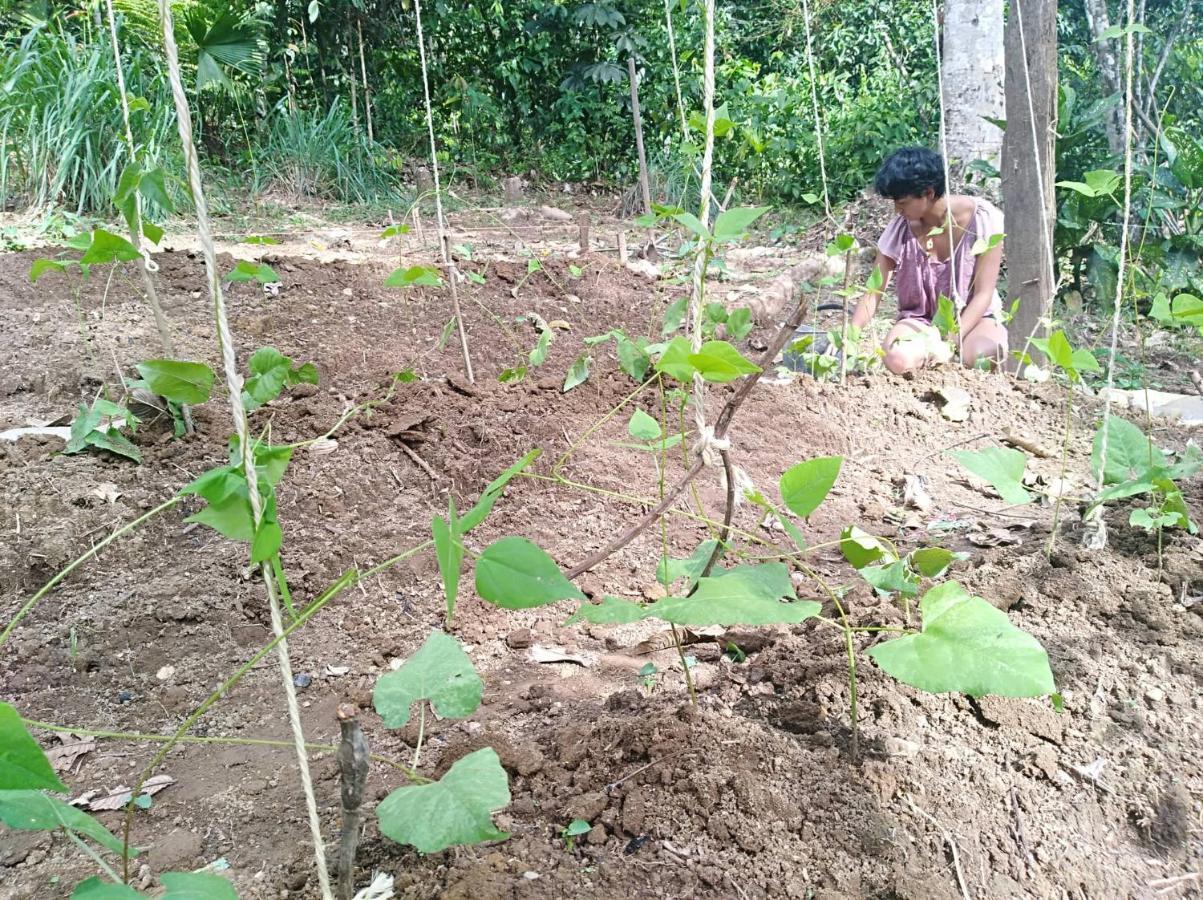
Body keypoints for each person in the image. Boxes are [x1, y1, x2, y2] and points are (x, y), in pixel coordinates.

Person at [850, 147, 1007, 374]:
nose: (896, 210)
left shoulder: (982, 219)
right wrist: (851, 336)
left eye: (902, 202)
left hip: (976, 320)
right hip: (920, 321)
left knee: (985, 355)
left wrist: (949, 341)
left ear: (929, 193)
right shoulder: (900, 229)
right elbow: (874, 291)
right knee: (897, 358)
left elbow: (983, 293)